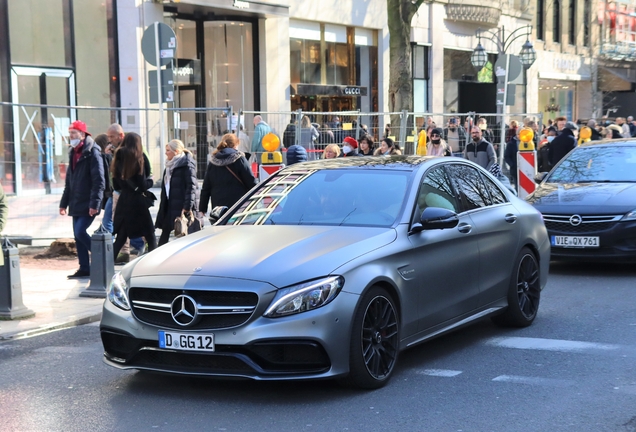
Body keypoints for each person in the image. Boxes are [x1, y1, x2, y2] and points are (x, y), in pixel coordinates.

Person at [59, 120, 105, 279]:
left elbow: (99, 180)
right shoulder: (73, 152)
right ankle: (84, 268)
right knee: (77, 236)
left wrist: (95, 203)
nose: (70, 136)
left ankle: (103, 255)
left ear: (83, 134)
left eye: (73, 133)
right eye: (70, 132)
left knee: (80, 231)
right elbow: (69, 181)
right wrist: (63, 203)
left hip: (88, 202)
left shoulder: (93, 152)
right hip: (75, 202)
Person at [111, 133, 157, 260]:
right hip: (137, 202)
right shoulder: (137, 157)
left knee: (121, 236)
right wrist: (151, 181)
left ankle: (108, 263)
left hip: (124, 200)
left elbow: (115, 184)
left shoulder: (117, 158)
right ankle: (154, 261)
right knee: (150, 234)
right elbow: (142, 184)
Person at [106, 123, 147, 262]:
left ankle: (141, 246)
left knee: (124, 226)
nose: (110, 139)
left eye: (112, 136)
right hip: (118, 193)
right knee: (120, 227)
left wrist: (145, 185)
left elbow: (145, 172)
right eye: (108, 136)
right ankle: (123, 253)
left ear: (121, 136)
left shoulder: (134, 152)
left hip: (128, 195)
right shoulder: (116, 152)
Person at [199, 133, 257, 215]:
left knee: (220, 227)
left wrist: (202, 209)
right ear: (235, 145)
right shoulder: (239, 159)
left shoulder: (213, 162)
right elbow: (251, 181)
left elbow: (206, 187)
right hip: (237, 205)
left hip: (218, 208)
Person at [155, 139, 198, 246]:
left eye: (168, 150)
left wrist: (187, 207)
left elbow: (191, 187)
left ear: (177, 151)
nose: (165, 153)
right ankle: (159, 255)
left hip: (181, 206)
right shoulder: (169, 166)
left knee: (183, 234)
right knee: (165, 232)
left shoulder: (186, 164)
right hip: (170, 205)